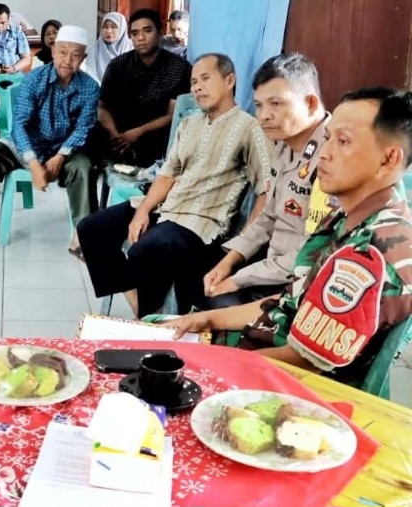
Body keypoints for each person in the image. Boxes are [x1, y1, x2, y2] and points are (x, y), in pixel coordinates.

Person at [164, 87, 412, 390]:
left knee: (151, 358)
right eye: (329, 137)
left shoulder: (369, 253)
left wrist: (203, 365)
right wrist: (210, 320)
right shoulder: (353, 216)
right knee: (160, 330)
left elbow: (303, 364)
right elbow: (292, 302)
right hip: (266, 347)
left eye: (343, 141)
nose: (325, 151)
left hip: (285, 389)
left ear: (388, 160)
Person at [77, 53, 273, 318]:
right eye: (193, 82)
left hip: (200, 221)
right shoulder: (189, 124)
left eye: (205, 78)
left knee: (146, 249)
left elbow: (265, 190)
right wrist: (144, 210)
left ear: (229, 80)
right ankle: (141, 306)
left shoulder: (249, 128)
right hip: (167, 208)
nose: (197, 87)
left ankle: (151, 314)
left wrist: (243, 243)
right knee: (91, 229)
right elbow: (167, 175)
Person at [201, 53, 332, 310]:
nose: (264, 116)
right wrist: (229, 261)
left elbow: (315, 252)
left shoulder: (331, 157)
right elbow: (268, 216)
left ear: (311, 103)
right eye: (259, 105)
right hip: (273, 268)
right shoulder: (284, 144)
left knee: (220, 304)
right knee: (205, 274)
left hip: (303, 283)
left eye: (276, 104)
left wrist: (240, 279)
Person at [0, 26, 98, 254]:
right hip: (26, 144)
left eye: (75, 54)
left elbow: (83, 127)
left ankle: (80, 239)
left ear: (84, 57)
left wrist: (60, 156)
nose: (67, 60)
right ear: (52, 51)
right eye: (62, 51)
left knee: (84, 168)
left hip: (66, 147)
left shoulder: (90, 87)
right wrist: (33, 165)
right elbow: (19, 124)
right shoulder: (34, 79)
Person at [89, 8, 192, 168]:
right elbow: (103, 107)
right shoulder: (118, 65)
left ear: (160, 32)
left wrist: (139, 132)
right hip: (118, 136)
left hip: (157, 139)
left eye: (147, 31)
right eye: (135, 33)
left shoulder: (179, 67)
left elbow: (173, 114)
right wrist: (115, 134)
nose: (141, 38)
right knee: (92, 141)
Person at [83, 12, 134, 84]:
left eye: (113, 27)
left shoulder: (132, 48)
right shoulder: (95, 49)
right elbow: (90, 76)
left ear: (122, 28)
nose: (109, 31)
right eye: (105, 27)